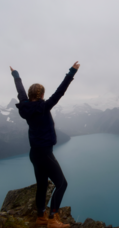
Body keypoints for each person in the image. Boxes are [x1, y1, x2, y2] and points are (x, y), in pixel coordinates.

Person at [10, 62, 80, 228]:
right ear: (41, 95)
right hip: (45, 153)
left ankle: (41, 216)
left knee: (42, 185)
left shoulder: (25, 106)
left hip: (34, 153)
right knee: (62, 184)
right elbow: (60, 91)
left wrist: (16, 75)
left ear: (29, 94)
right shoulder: (44, 106)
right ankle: (52, 218)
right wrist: (72, 72)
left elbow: (20, 91)